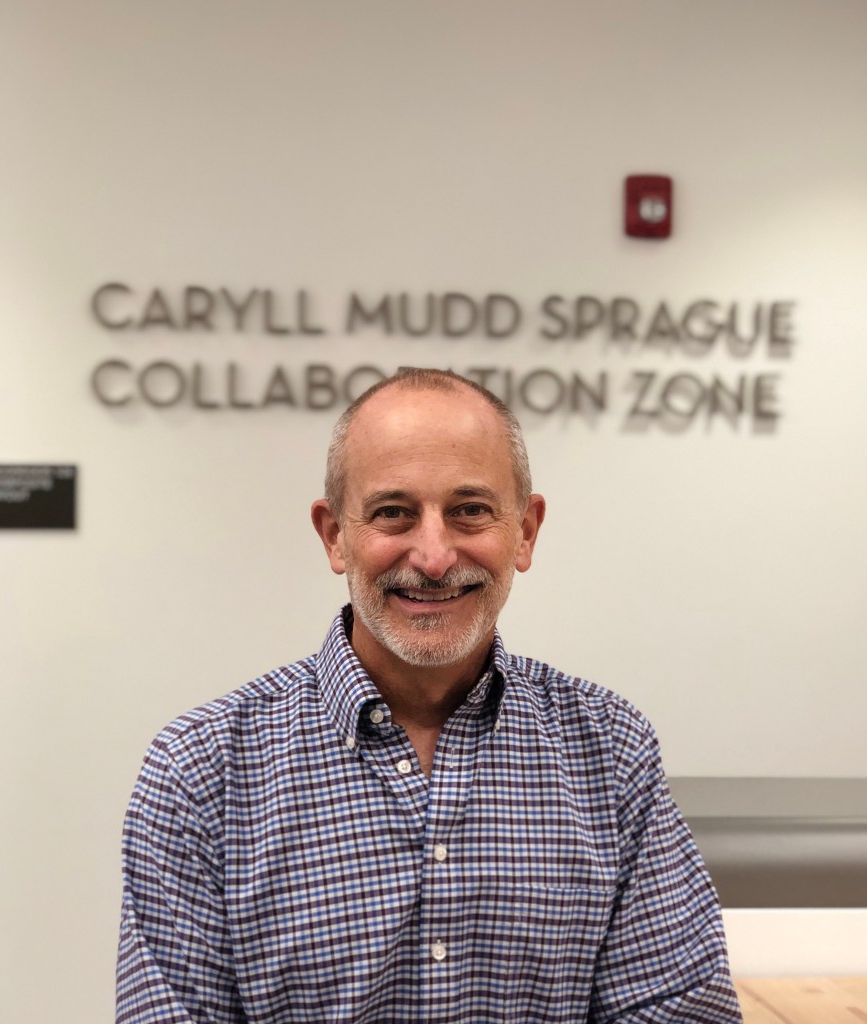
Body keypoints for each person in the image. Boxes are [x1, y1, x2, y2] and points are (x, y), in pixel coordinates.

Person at [117, 368, 742, 1023]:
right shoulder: (200, 770)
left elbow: (676, 1010)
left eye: (469, 510)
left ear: (525, 531)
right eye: (394, 513)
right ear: (333, 535)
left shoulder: (609, 750)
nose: (435, 555)